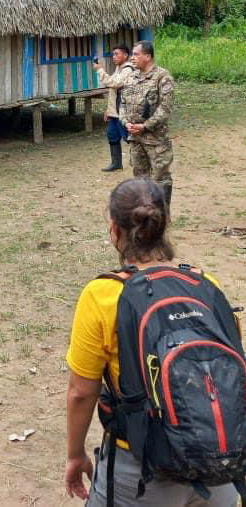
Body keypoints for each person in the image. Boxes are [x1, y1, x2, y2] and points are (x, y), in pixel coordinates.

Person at [64, 178, 238, 506]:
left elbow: (81, 392)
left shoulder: (103, 295)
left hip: (140, 468)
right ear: (165, 223)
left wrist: (75, 455)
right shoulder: (206, 284)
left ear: (114, 230)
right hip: (219, 460)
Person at [119, 40, 175, 207]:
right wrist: (125, 123)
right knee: (140, 179)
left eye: (136, 54)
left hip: (156, 140)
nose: (132, 58)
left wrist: (145, 126)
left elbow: (165, 109)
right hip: (135, 139)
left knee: (161, 178)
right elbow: (122, 104)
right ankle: (145, 216)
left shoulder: (162, 77)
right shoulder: (131, 77)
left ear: (148, 56)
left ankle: (163, 217)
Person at [93, 44, 135, 173]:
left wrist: (100, 70)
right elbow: (113, 92)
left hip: (124, 111)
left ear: (125, 55)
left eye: (117, 54)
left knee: (130, 138)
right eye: (113, 54)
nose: (114, 57)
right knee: (112, 136)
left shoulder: (128, 69)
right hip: (115, 111)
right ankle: (116, 163)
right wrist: (109, 110)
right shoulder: (119, 68)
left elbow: (114, 83)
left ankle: (141, 160)